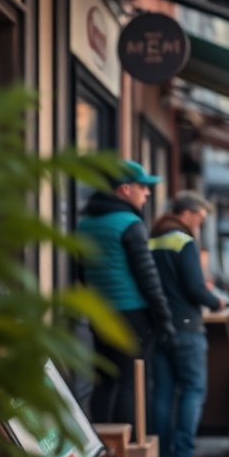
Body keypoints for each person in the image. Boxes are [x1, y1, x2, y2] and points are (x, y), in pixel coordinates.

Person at [77, 160, 177, 426]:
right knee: (132, 384)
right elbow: (149, 278)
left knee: (104, 382)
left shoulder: (84, 224)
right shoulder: (130, 224)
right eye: (142, 187)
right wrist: (164, 317)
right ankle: (130, 452)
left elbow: (81, 273)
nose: (147, 193)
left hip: (100, 315)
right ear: (124, 189)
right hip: (133, 316)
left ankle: (106, 449)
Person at [149, 192, 225, 457]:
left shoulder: (152, 240)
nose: (200, 225)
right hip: (186, 326)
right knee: (193, 390)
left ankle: (162, 456)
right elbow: (195, 287)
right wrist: (216, 300)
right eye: (201, 219)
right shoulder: (183, 241)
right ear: (189, 213)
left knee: (163, 394)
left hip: (159, 327)